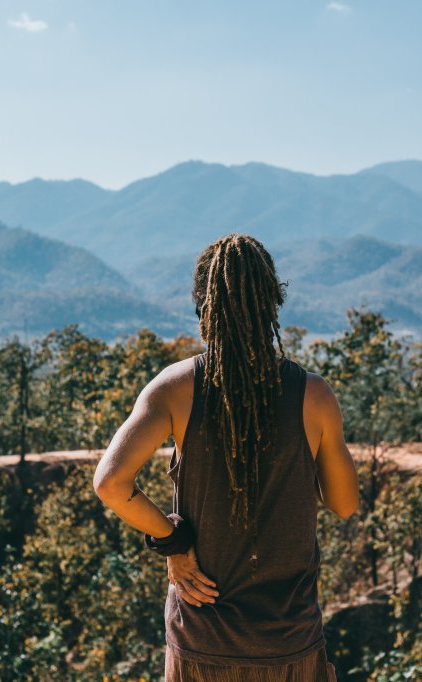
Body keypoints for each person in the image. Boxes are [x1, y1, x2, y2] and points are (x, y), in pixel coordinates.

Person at [93, 233, 359, 681]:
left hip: (202, 643)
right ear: (273, 305)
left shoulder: (175, 389)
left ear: (204, 312)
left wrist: (174, 542)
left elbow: (111, 484)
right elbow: (345, 503)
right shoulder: (312, 396)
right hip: (288, 643)